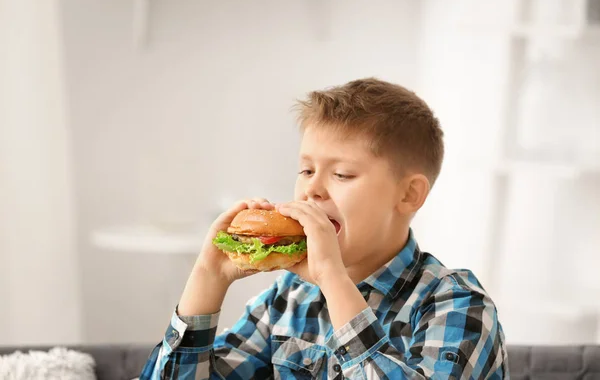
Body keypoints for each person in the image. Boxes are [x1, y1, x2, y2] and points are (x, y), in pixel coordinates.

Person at [140, 78, 508, 379]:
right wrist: (207, 278)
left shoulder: (456, 303)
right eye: (306, 170)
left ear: (409, 195)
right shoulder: (288, 297)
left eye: (341, 174)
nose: (312, 188)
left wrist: (334, 280)